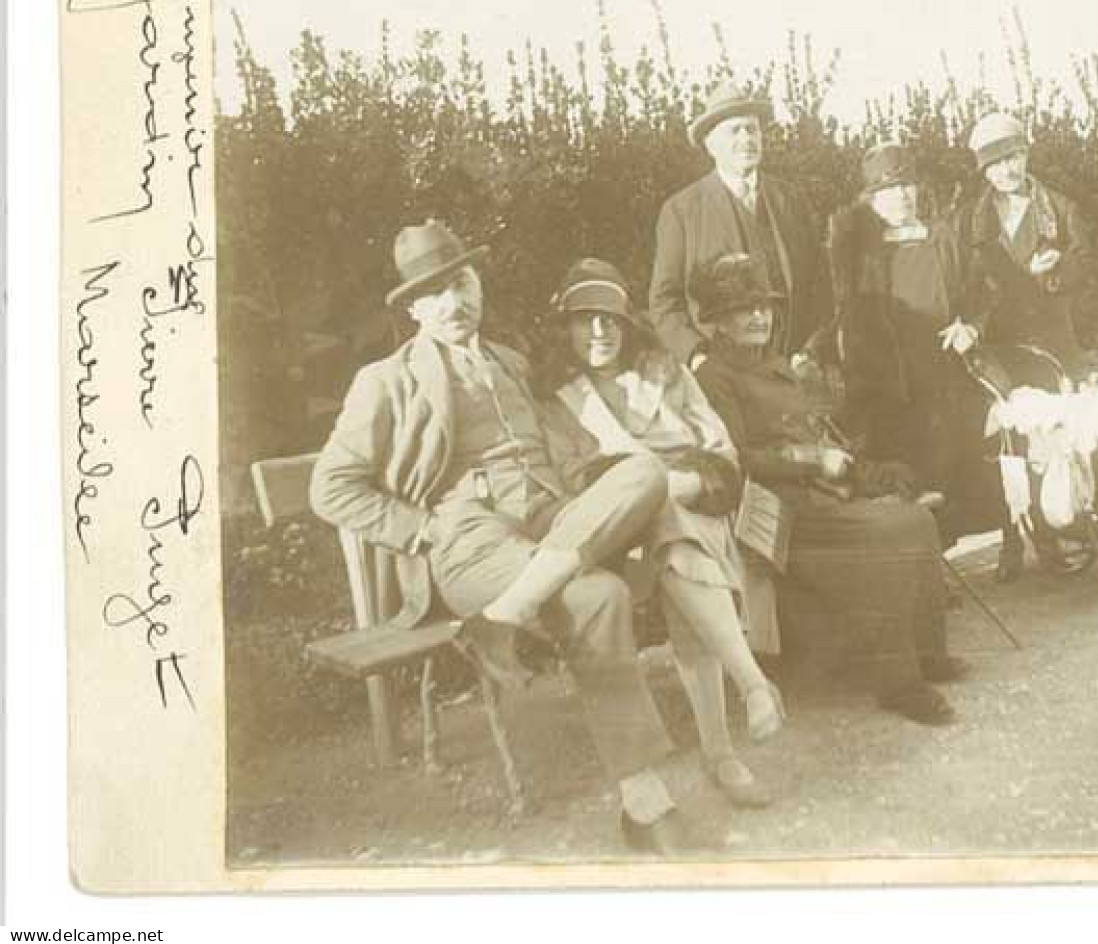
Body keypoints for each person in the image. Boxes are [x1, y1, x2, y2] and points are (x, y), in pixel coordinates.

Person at [310, 220, 693, 855]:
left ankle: (506, 616)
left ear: (479, 283)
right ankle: (643, 794)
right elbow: (332, 487)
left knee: (645, 470)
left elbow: (566, 454)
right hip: (468, 538)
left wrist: (602, 485)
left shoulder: (513, 364)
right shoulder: (386, 380)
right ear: (412, 309)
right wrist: (421, 528)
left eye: (461, 282)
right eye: (434, 294)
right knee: (598, 596)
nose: (454, 303)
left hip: (550, 520)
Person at [541, 258, 786, 810]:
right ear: (566, 327)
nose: (600, 331)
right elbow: (575, 487)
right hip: (616, 540)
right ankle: (748, 694)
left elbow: (721, 449)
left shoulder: (665, 372)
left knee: (678, 538)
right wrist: (650, 487)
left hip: (697, 512)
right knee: (670, 530)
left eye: (610, 318)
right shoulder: (558, 403)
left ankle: (727, 741)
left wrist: (684, 483)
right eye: (585, 319)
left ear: (627, 324)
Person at [690, 252, 970, 727]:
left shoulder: (774, 365)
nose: (758, 316)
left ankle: (926, 653)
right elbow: (736, 457)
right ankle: (899, 684)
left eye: (763, 306)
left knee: (916, 517)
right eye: (744, 309)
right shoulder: (714, 378)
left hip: (816, 495)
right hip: (776, 510)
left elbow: (810, 427)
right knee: (888, 533)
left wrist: (852, 464)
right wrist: (815, 460)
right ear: (718, 321)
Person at [827, 143, 989, 539]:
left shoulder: (943, 239)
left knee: (941, 478)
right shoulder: (854, 253)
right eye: (889, 189)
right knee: (893, 481)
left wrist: (971, 326)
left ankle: (940, 564)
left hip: (937, 384)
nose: (900, 196)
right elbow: (833, 311)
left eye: (906, 186)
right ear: (871, 198)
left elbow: (982, 292)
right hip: (880, 389)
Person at [959, 112, 1094, 582]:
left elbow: (1087, 267)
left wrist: (1055, 272)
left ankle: (1054, 534)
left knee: (1050, 440)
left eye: (1013, 157)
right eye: (995, 165)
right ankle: (1012, 539)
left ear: (1026, 153)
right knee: (1004, 444)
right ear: (985, 172)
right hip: (996, 342)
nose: (1007, 171)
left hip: (1049, 342)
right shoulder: (972, 218)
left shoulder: (1059, 208)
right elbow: (964, 279)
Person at [649, 82, 831, 368]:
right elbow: (664, 302)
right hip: (721, 373)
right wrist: (697, 355)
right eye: (735, 131)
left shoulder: (792, 200)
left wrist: (810, 350)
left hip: (790, 367)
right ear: (711, 144)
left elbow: (820, 283)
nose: (747, 138)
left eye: (752, 129)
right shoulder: (682, 210)